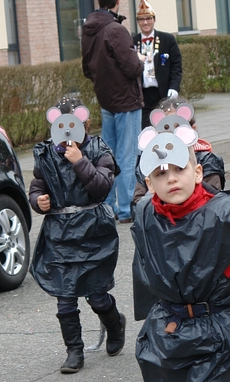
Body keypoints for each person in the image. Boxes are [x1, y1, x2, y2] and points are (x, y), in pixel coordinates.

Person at [132, 122, 230, 382]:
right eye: (159, 172)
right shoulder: (144, 216)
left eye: (178, 168)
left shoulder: (223, 214)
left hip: (221, 328)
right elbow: (145, 275)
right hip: (175, 329)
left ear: (196, 169)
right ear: (149, 180)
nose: (170, 178)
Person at [29, 96, 125, 374]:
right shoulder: (46, 154)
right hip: (59, 234)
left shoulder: (98, 150)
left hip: (93, 231)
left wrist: (80, 161)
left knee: (96, 294)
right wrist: (39, 200)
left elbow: (102, 187)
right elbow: (37, 185)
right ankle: (74, 349)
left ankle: (114, 323)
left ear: (85, 123)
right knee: (65, 296)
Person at [82, 0, 144, 223]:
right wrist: (140, 60)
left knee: (106, 157)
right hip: (126, 101)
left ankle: (108, 206)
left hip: (105, 100)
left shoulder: (89, 29)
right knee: (127, 157)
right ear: (117, 2)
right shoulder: (116, 29)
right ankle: (126, 210)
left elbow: (86, 68)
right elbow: (132, 67)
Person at [132, 96, 225, 208]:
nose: (172, 134)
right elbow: (138, 202)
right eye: (165, 128)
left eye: (180, 169)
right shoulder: (151, 161)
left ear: (192, 130)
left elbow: (214, 199)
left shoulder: (206, 160)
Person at [133, 0, 182, 129]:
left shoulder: (167, 39)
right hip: (143, 96)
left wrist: (174, 88)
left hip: (163, 93)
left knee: (166, 129)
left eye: (148, 18)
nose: (145, 22)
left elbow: (177, 66)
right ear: (137, 21)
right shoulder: (132, 42)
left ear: (154, 19)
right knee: (146, 131)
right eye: (141, 19)